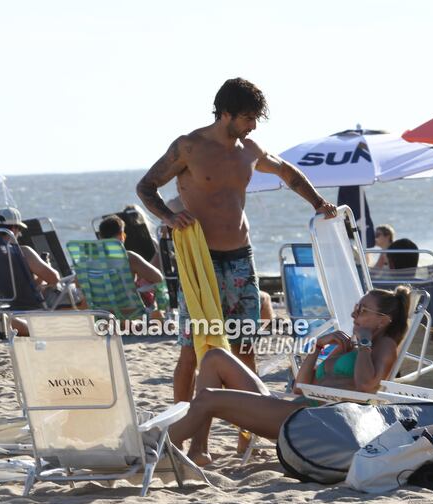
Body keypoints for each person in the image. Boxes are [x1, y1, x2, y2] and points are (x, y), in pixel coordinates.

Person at [136, 77, 337, 403]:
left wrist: (318, 203)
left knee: (244, 345)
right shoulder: (189, 147)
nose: (253, 125)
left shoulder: (251, 151)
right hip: (202, 261)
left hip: (242, 258)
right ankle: (182, 422)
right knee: (192, 348)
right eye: (248, 117)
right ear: (226, 114)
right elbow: (146, 187)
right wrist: (169, 217)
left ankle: (249, 427)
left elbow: (289, 174)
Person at [169, 286, 411, 465]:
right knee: (215, 358)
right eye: (356, 307)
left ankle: (158, 450)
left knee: (209, 398)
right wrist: (317, 348)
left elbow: (367, 386)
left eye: (362, 309)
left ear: (382, 321)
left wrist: (365, 341)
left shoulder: (384, 346)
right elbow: (300, 386)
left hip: (310, 422)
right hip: (296, 409)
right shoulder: (354, 348)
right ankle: (197, 451)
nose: (353, 314)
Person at [97, 215, 164, 312]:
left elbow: (78, 284)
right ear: (122, 236)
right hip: (129, 312)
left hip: (103, 313)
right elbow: (158, 277)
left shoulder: (88, 260)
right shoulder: (129, 257)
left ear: (100, 238)